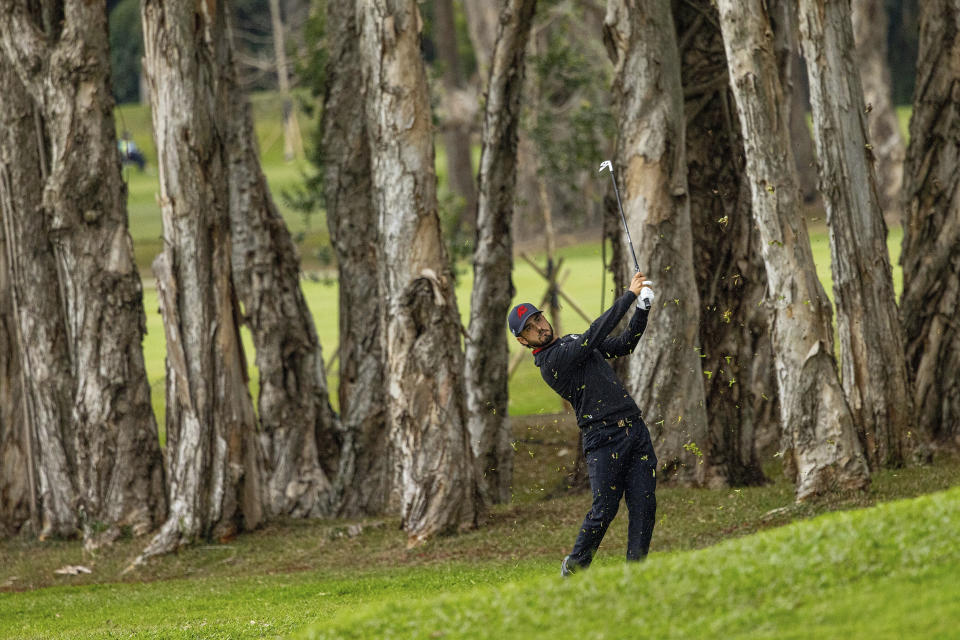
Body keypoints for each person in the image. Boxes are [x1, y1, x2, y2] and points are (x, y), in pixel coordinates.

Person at [507, 271, 657, 577]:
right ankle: (575, 566)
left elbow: (624, 344)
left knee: (644, 505)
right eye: (530, 329)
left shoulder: (572, 341)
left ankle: (636, 574)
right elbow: (594, 335)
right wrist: (628, 296)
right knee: (605, 510)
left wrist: (642, 310)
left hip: (634, 429)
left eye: (538, 319)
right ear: (523, 341)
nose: (539, 327)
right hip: (603, 440)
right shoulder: (551, 363)